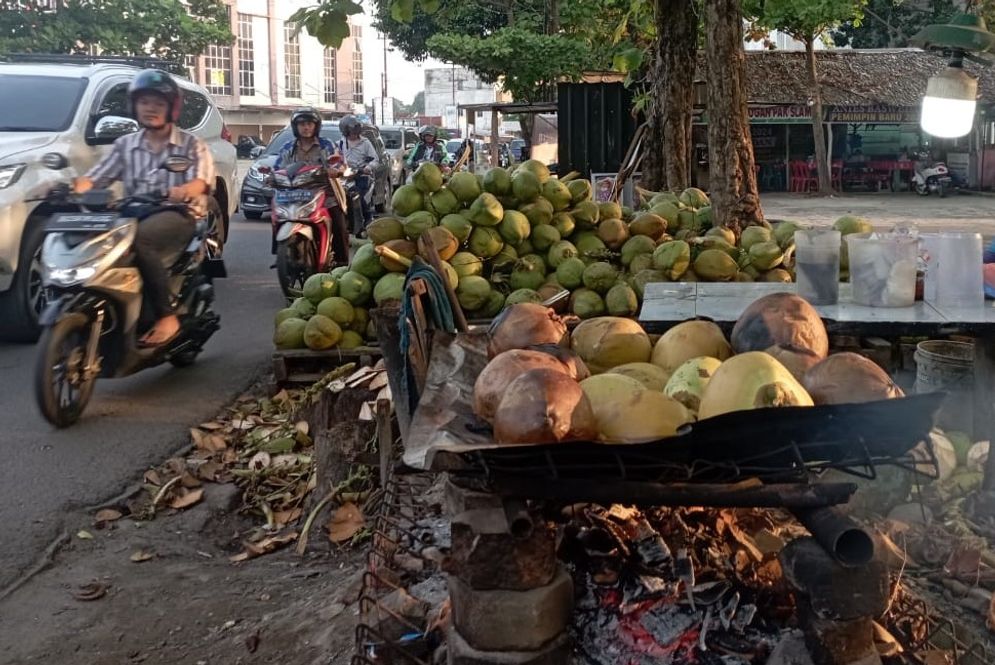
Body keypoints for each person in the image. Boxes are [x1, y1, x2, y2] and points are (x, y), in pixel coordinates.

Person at [74, 69, 214, 347]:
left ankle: (166, 316)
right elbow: (97, 177)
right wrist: (73, 187)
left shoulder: (190, 145)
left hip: (178, 215)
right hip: (132, 213)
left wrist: (182, 191)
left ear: (170, 108)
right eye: (144, 103)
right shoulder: (125, 145)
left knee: (140, 238)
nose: (150, 109)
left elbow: (201, 182)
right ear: (134, 106)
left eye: (158, 103)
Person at [272, 108, 350, 267]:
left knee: (339, 224)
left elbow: (340, 162)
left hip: (325, 195)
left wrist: (336, 170)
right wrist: (270, 177)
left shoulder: (326, 145)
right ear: (295, 127)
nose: (306, 127)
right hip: (293, 195)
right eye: (301, 124)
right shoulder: (288, 147)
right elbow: (277, 167)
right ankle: (280, 253)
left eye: (309, 124)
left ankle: (342, 264)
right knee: (276, 216)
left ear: (316, 126)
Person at [336, 115, 379, 229]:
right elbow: (335, 159)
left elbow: (375, 160)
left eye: (355, 133)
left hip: (361, 175)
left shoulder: (365, 143)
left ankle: (367, 217)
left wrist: (368, 168)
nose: (354, 135)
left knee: (357, 196)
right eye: (351, 133)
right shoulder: (339, 144)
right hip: (345, 176)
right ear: (345, 132)